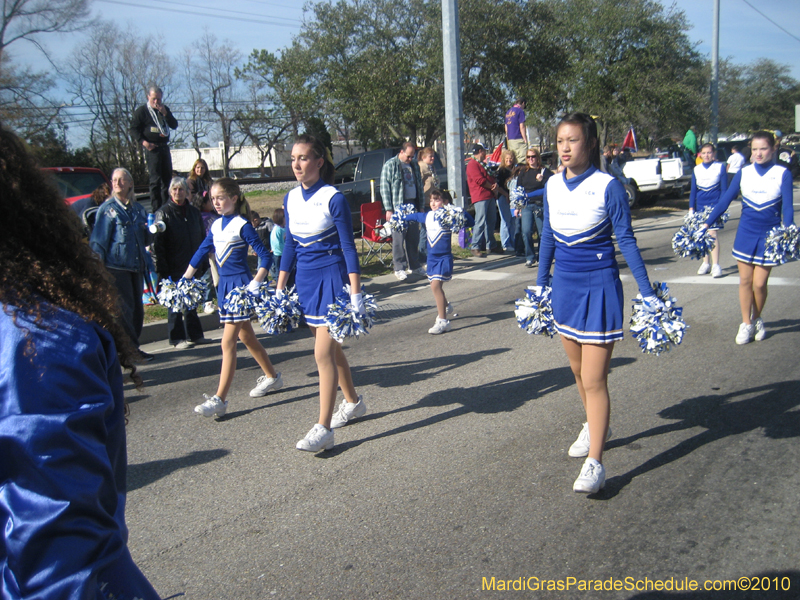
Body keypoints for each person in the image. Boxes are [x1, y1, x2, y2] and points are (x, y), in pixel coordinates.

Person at [0, 123, 160, 598]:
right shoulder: (110, 212)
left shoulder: (36, 343)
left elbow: (56, 553)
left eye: (127, 182)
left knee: (129, 316)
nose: (124, 187)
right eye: (119, 183)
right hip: (111, 271)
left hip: (77, 583)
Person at [536, 113, 660, 494]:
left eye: (573, 140)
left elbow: (626, 241)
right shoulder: (553, 185)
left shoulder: (609, 187)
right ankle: (594, 424)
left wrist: (648, 292)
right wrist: (540, 287)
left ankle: (596, 463)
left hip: (599, 288)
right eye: (560, 141)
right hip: (564, 290)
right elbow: (547, 238)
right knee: (576, 372)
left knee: (594, 378)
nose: (566, 148)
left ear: (590, 143)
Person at [277, 134, 366, 452]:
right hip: (306, 282)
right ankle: (353, 402)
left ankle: (323, 428)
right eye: (293, 158)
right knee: (330, 349)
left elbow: (347, 246)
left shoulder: (333, 198)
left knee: (322, 353)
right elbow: (289, 244)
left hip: (332, 278)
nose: (296, 164)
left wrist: (355, 292)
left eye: (303, 158)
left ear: (319, 161)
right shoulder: (289, 198)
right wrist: (279, 286)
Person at [183, 178, 283, 418]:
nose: (216, 203)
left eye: (221, 198)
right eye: (213, 198)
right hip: (223, 288)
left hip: (239, 288)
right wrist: (185, 278)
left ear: (234, 198)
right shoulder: (216, 225)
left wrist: (255, 283)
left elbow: (265, 256)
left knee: (227, 342)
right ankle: (272, 377)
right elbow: (201, 251)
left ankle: (220, 399)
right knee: (247, 337)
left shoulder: (242, 224)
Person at [703, 131, 794, 345]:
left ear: (773, 149)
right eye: (754, 149)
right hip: (746, 231)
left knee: (760, 284)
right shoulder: (744, 172)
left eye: (763, 149)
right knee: (745, 280)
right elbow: (726, 199)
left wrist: (789, 231)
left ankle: (757, 317)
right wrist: (707, 222)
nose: (759, 153)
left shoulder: (783, 173)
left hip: (770, 235)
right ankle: (746, 323)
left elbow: (788, 208)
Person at [89, 167, 153, 362]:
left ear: (130, 184)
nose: (117, 183)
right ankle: (129, 350)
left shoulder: (138, 209)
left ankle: (131, 348)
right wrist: (98, 269)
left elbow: (146, 239)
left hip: (136, 266)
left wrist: (153, 229)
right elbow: (98, 242)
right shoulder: (108, 210)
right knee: (125, 310)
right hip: (116, 268)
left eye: (121, 180)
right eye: (114, 179)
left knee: (137, 310)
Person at [403, 189, 474, 334]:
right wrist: (400, 218)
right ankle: (446, 306)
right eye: (431, 200)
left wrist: (459, 212)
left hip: (444, 258)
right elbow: (416, 216)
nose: (433, 203)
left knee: (435, 286)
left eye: (437, 200)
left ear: (445, 202)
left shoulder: (449, 216)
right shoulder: (428, 216)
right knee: (435, 286)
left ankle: (443, 321)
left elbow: (471, 221)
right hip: (432, 258)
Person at [153, 177, 207, 348]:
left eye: (181, 189)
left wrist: (203, 259)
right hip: (172, 265)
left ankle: (195, 335)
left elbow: (201, 237)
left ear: (187, 192)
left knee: (191, 300)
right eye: (175, 189)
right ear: (170, 192)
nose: (178, 193)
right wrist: (161, 268)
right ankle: (176, 338)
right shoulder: (163, 213)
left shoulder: (193, 212)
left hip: (191, 264)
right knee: (175, 303)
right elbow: (157, 244)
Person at [380, 141, 425, 280]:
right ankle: (399, 267)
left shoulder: (414, 165)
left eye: (412, 156)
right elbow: (384, 187)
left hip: (412, 204)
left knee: (413, 237)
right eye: (408, 156)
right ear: (401, 152)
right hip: (398, 205)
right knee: (399, 238)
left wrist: (421, 205)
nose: (410, 159)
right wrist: (389, 209)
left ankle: (415, 265)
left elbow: (419, 186)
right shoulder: (391, 165)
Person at [129, 85, 178, 210]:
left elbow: (174, 125)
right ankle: (156, 209)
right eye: (154, 99)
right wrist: (143, 142)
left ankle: (167, 206)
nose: (156, 102)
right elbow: (133, 129)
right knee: (155, 180)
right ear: (148, 97)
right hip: (152, 149)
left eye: (159, 99)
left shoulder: (164, 109)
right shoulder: (142, 111)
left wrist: (165, 113)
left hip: (164, 147)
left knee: (167, 179)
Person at [690, 143, 728, 278]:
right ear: (700, 154)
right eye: (704, 153)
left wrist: (721, 206)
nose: (707, 155)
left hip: (714, 206)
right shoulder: (696, 169)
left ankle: (716, 265)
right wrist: (691, 208)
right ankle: (705, 263)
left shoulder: (720, 167)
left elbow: (724, 189)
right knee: (702, 235)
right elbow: (693, 191)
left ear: (714, 154)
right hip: (700, 206)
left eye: (709, 152)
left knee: (712, 234)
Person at [516, 147, 553, 267]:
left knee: (542, 233)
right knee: (526, 231)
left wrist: (543, 180)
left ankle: (541, 256)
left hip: (540, 205)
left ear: (538, 158)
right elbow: (518, 190)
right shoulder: (523, 172)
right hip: (527, 205)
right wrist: (517, 207)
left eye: (533, 157)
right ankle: (530, 256)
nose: (531, 159)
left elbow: (552, 185)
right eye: (528, 157)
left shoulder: (544, 171)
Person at [466, 143, 500, 257]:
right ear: (480, 151)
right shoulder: (472, 164)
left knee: (491, 221)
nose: (486, 153)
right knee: (480, 221)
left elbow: (489, 177)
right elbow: (479, 180)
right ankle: (475, 245)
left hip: (489, 195)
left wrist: (494, 186)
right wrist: (491, 186)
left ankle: (491, 245)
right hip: (480, 196)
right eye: (484, 151)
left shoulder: (482, 164)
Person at [192, 186, 219, 313]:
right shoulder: (200, 217)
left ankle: (221, 300)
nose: (213, 203)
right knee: (207, 278)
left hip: (219, 251)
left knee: (218, 278)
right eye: (210, 201)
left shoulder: (215, 215)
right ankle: (207, 302)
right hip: (208, 252)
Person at [417, 146, 440, 260]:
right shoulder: (421, 167)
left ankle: (430, 253)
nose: (432, 158)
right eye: (430, 156)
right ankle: (422, 256)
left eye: (433, 156)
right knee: (425, 230)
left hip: (433, 204)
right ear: (423, 157)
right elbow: (419, 185)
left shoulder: (432, 168)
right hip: (425, 203)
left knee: (432, 229)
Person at [495, 149, 517, 252]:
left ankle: (513, 241)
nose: (509, 160)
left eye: (511, 158)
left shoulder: (516, 170)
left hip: (514, 198)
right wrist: (506, 195)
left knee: (513, 220)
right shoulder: (501, 171)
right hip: (503, 197)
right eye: (507, 158)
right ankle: (505, 243)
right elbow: (498, 186)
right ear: (504, 159)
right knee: (505, 220)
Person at [504, 98, 528, 165]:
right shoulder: (520, 111)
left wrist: (508, 139)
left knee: (514, 160)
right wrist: (525, 139)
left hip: (510, 139)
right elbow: (522, 126)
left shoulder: (508, 112)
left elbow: (506, 127)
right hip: (518, 138)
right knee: (522, 160)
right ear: (523, 103)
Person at [270, 207, 287, 284]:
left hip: (284, 253)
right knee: (279, 271)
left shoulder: (285, 228)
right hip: (279, 254)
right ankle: (279, 285)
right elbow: (277, 244)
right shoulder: (277, 229)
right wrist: (286, 251)